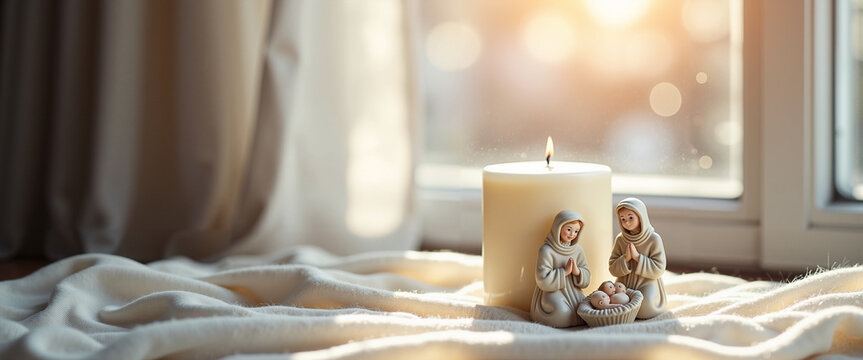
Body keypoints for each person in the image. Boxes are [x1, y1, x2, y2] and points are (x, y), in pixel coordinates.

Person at [530, 210, 591, 327]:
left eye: (576, 231)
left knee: (586, 308)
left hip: (574, 291)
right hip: (553, 291)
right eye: (568, 229)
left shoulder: (578, 250)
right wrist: (564, 272)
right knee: (562, 313)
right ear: (558, 228)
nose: (572, 234)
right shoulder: (547, 251)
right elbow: (542, 279)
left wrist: (578, 272)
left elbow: (586, 276)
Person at [608, 197, 667, 319]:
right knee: (615, 301)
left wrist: (637, 258)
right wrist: (625, 259)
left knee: (645, 306)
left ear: (641, 216)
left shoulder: (653, 239)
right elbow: (612, 268)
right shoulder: (620, 239)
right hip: (624, 284)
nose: (627, 222)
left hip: (646, 282)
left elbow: (659, 268)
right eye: (623, 219)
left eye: (631, 217)